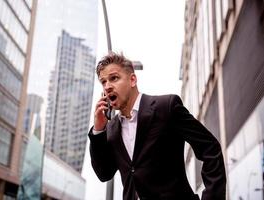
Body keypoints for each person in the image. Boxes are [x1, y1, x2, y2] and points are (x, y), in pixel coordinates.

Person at [88, 52, 226, 200]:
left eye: (114, 78)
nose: (107, 86)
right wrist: (98, 130)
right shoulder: (111, 128)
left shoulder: (166, 107)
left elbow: (210, 149)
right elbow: (104, 173)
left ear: (132, 80)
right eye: (103, 82)